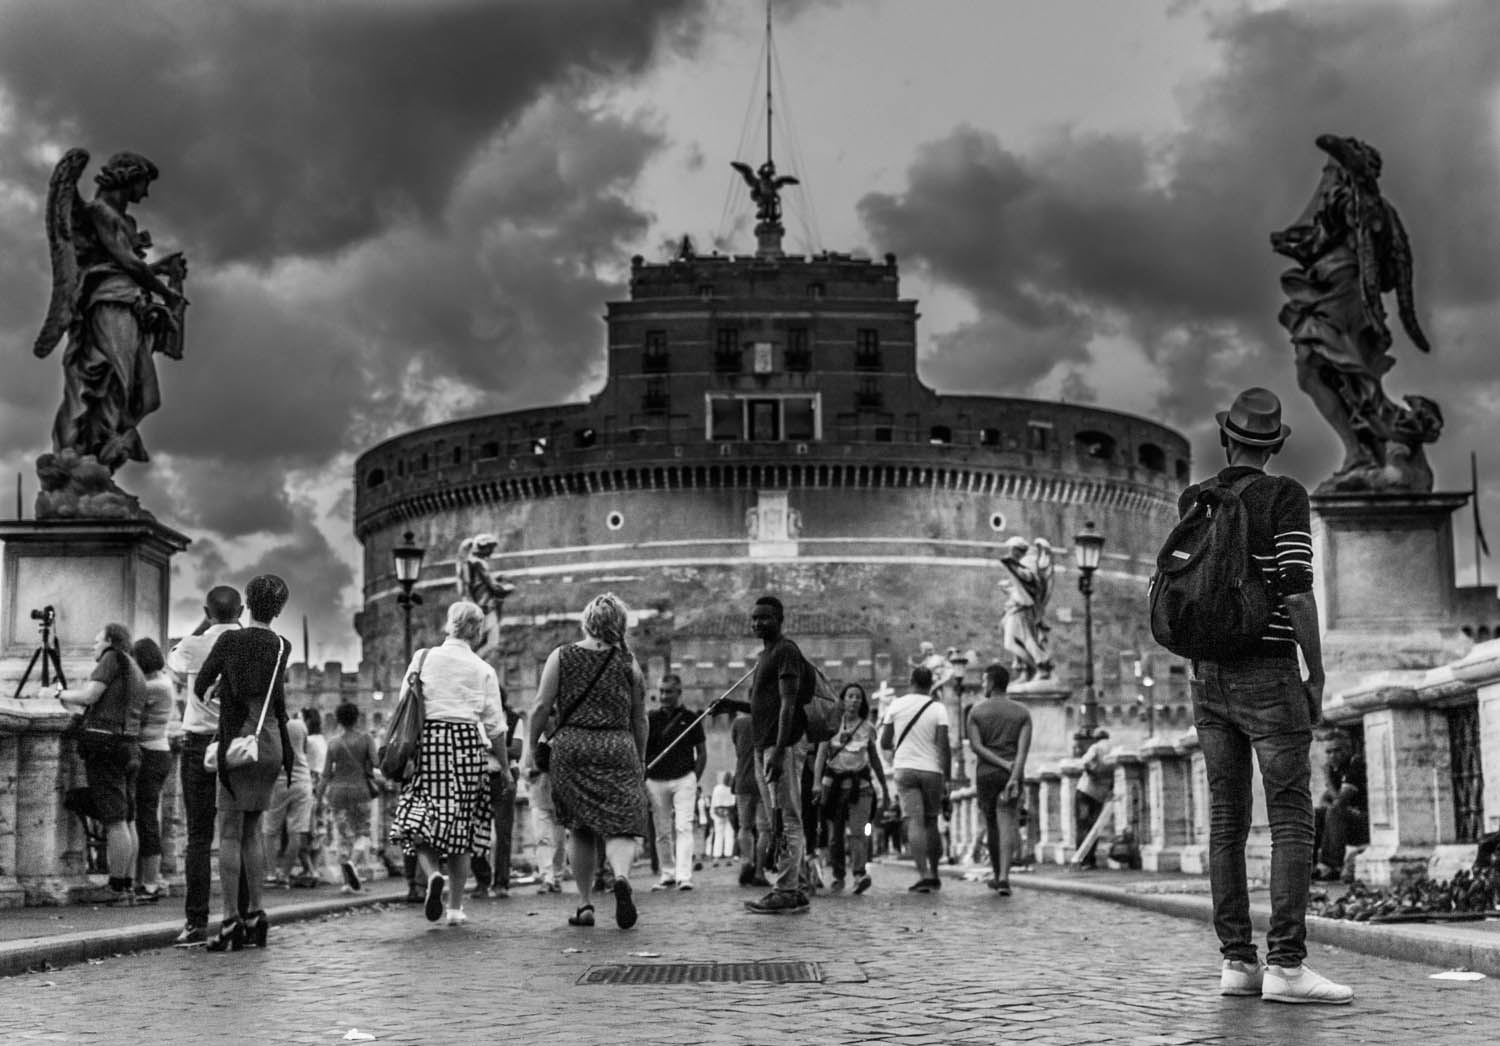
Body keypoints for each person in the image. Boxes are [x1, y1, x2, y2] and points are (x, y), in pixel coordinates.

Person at [1184, 386, 1351, 1004]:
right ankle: (1285, 965)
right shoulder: (1285, 495)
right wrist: (1315, 672)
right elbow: (1298, 589)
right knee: (1290, 819)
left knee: (1227, 822)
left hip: (1207, 675)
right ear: (1274, 446)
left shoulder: (1196, 498)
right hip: (1268, 671)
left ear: (1226, 438)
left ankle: (1236, 963)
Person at [35, 149, 188, 472]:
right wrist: (165, 293)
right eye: (144, 184)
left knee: (142, 393)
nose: (145, 193)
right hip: (108, 303)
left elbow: (124, 264)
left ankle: (103, 452)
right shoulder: (100, 212)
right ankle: (83, 455)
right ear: (128, 178)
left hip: (130, 303)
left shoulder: (124, 220)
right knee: (107, 378)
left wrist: (161, 270)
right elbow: (128, 263)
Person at [526, 593, 649, 929]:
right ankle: (621, 876)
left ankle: (584, 905)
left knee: (579, 828)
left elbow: (540, 707)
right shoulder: (628, 663)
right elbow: (640, 718)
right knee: (620, 825)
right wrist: (639, 759)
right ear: (619, 624)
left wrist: (527, 752)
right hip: (617, 746)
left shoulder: (561, 656)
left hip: (573, 748)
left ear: (587, 621)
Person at [389, 600, 507, 927]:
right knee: (462, 830)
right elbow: (496, 725)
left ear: (449, 624)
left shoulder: (423, 658)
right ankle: (455, 909)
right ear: (478, 630)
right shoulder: (483, 669)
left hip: (431, 742)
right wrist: (507, 769)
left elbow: (404, 703)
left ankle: (432, 876)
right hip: (469, 745)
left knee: (416, 818)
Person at [195, 574, 294, 952]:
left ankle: (229, 922)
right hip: (269, 744)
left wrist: (221, 694)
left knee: (230, 834)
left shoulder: (230, 639)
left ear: (247, 604)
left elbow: (201, 685)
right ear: (280, 609)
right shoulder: (283, 645)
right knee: (253, 830)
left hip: (239, 743)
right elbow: (272, 693)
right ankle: (256, 914)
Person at [166, 585, 242, 944]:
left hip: (198, 744)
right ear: (241, 610)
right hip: (237, 745)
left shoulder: (194, 645)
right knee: (238, 834)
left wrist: (204, 624)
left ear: (206, 611)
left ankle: (196, 922)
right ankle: (239, 915)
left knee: (198, 837)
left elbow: (174, 660)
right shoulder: (250, 644)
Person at [57, 623, 148, 906]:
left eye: (97, 641)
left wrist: (57, 694)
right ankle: (127, 886)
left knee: (114, 819)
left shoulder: (112, 659)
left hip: (106, 746)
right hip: (129, 746)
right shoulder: (134, 667)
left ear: (110, 640)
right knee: (127, 817)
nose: (94, 647)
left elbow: (89, 696)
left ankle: (116, 888)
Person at [744, 595, 813, 916]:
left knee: (787, 818)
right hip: (766, 744)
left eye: (765, 618)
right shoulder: (766, 655)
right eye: (755, 618)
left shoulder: (785, 651)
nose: (758, 622)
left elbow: (788, 702)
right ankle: (796, 886)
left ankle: (785, 889)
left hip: (779, 746)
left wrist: (780, 749)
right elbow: (768, 705)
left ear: (780, 620)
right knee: (780, 817)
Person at [879, 665, 951, 893]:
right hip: (931, 770)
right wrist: (947, 778)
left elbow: (884, 742)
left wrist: (897, 754)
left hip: (905, 769)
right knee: (931, 822)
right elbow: (943, 746)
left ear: (911, 682)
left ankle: (923, 874)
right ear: (931, 685)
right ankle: (936, 873)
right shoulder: (938, 708)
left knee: (915, 822)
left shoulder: (896, 705)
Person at [813, 682, 889, 895]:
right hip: (833, 785)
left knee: (858, 833)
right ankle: (838, 875)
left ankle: (858, 874)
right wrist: (816, 783)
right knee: (834, 835)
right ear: (843, 700)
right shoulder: (830, 725)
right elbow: (821, 755)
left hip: (860, 785)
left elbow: (875, 760)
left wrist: (883, 786)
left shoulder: (867, 728)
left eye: (858, 697)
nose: (854, 700)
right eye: (850, 696)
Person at [966, 664, 1031, 896]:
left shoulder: (976, 712)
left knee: (991, 824)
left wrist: (1000, 764)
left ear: (992, 683)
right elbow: (1022, 752)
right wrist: (1013, 774)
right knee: (1008, 822)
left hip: (986, 775)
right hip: (1010, 774)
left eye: (984, 681)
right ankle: (1004, 877)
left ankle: (996, 874)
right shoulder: (1022, 713)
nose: (983, 685)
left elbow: (976, 747)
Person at [645, 674, 707, 892]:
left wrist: (693, 778)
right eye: (661, 691)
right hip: (656, 781)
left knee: (683, 827)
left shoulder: (691, 719)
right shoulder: (650, 719)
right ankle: (667, 873)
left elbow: (701, 752)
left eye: (668, 691)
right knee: (662, 831)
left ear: (679, 693)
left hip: (683, 779)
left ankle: (684, 875)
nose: (663, 696)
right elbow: (642, 750)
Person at [130, 637, 177, 903]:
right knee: (144, 816)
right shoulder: (163, 681)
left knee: (146, 818)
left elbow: (126, 699)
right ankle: (143, 880)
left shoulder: (154, 687)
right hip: (157, 752)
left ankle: (149, 882)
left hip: (151, 753)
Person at [323, 701, 378, 893]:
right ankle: (353, 864)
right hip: (360, 790)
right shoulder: (366, 739)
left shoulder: (333, 742)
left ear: (338, 720)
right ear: (357, 718)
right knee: (363, 833)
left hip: (337, 792)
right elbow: (377, 762)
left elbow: (326, 774)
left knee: (344, 837)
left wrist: (319, 796)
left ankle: (347, 883)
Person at [474, 699, 523, 898]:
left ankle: (501, 882)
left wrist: (491, 746)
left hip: (504, 778)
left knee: (503, 832)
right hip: (480, 778)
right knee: (475, 831)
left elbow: (516, 751)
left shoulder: (513, 720)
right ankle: (482, 879)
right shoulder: (475, 719)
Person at [262, 709, 313, 890]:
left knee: (270, 830)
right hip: (302, 780)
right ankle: (284, 875)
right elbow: (304, 749)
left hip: (279, 780)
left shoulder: (271, 726)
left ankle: (270, 874)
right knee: (296, 832)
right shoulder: (300, 725)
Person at [1314, 730, 1368, 882]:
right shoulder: (1334, 769)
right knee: (1315, 814)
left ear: (1348, 749)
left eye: (1338, 750)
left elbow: (1341, 800)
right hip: (1345, 822)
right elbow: (1324, 800)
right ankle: (1311, 865)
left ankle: (1331, 866)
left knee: (1335, 810)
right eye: (1329, 752)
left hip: (1365, 823)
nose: (1332, 755)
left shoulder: (1355, 763)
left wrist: (1327, 779)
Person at [999, 537, 1055, 681]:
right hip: (1015, 607)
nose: (1010, 551)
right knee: (1016, 641)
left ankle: (1041, 665)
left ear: (1017, 549)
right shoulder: (1020, 561)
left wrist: (1013, 568)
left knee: (1023, 639)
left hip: (1022, 607)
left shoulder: (1028, 560)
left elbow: (1030, 578)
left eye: (1012, 548)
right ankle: (1030, 669)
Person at [729, 706, 769, 887]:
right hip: (764, 781)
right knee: (764, 830)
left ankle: (747, 861)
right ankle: (759, 872)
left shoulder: (738, 723)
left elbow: (737, 748)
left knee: (744, 827)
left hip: (743, 779)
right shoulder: (770, 719)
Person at [300, 707, 328, 887]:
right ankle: (314, 869)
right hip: (322, 784)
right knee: (318, 829)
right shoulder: (322, 739)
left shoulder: (308, 741)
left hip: (309, 781)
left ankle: (309, 869)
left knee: (302, 829)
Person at [1075, 728, 1112, 869]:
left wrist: (1092, 773)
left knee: (1082, 825)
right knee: (1094, 827)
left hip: (1085, 791)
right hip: (1100, 795)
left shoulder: (1096, 747)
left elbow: (1084, 762)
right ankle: (1091, 860)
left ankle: (1081, 860)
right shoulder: (1112, 749)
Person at [709, 771, 735, 867]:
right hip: (729, 813)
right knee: (729, 834)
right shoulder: (732, 789)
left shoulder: (717, 788)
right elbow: (733, 801)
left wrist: (715, 813)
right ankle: (728, 857)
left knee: (718, 835)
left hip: (718, 812)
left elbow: (714, 802)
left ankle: (716, 857)